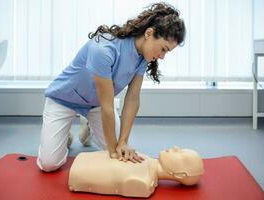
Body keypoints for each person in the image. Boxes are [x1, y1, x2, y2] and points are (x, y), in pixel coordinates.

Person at [36, 2, 186, 172]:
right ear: (149, 33)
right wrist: (115, 152)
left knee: (119, 150)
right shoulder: (104, 49)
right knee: (49, 164)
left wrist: (123, 141)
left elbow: (133, 98)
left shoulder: (143, 57)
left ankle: (87, 122)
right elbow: (107, 106)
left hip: (96, 105)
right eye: (163, 49)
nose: (162, 56)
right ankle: (65, 133)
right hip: (63, 100)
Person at [68, 146, 204, 198]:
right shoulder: (146, 159)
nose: (175, 147)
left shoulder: (142, 182)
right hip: (83, 162)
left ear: (180, 174)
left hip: (78, 173)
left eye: (181, 154)